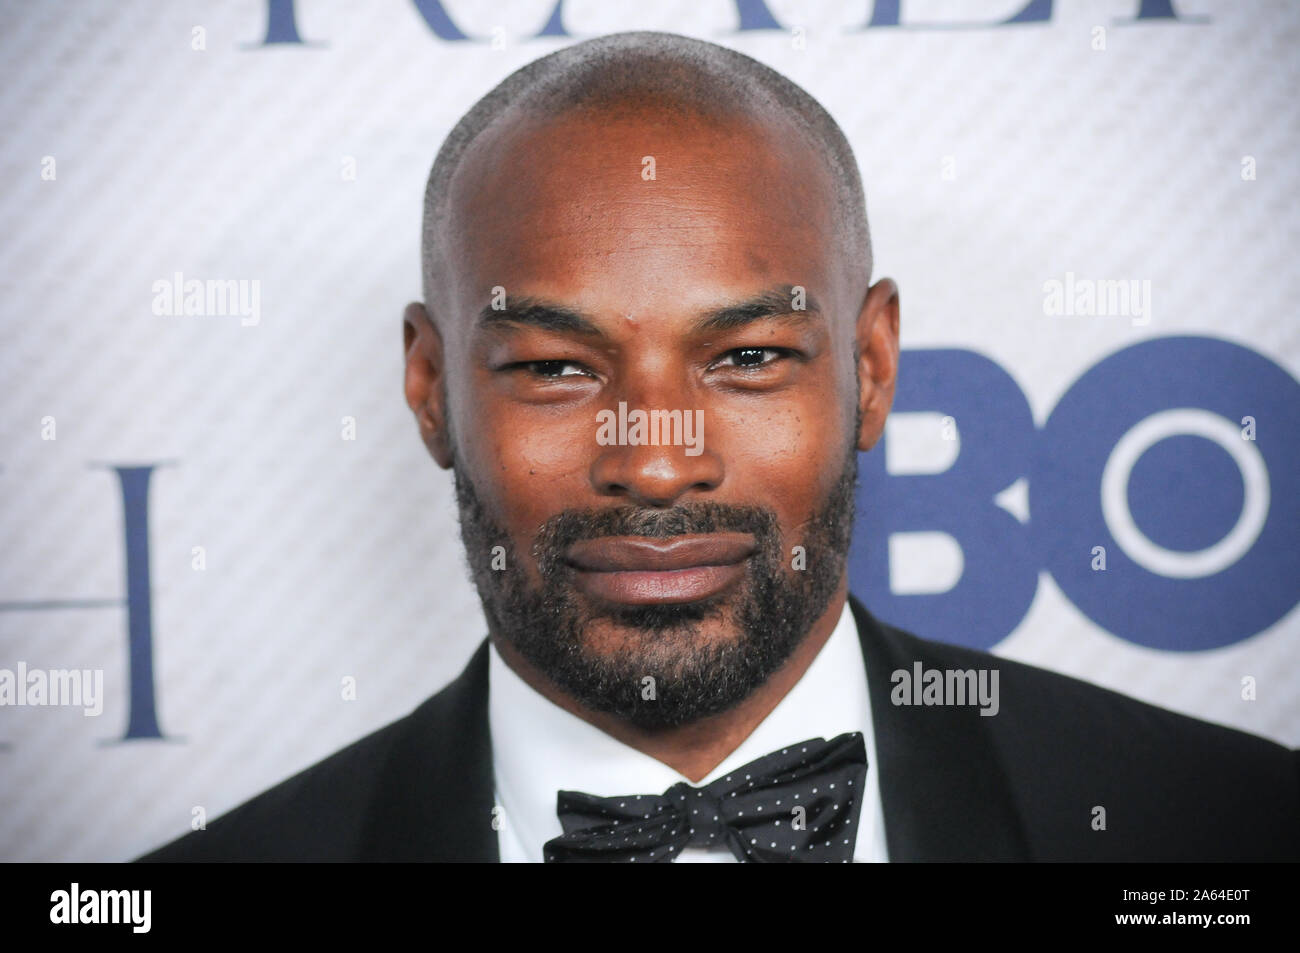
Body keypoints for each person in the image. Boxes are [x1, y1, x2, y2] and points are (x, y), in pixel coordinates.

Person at [141, 31, 1298, 863]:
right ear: (430, 387)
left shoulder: (1224, 823)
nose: (654, 464)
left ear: (872, 368)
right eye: (556, 366)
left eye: (746, 359)